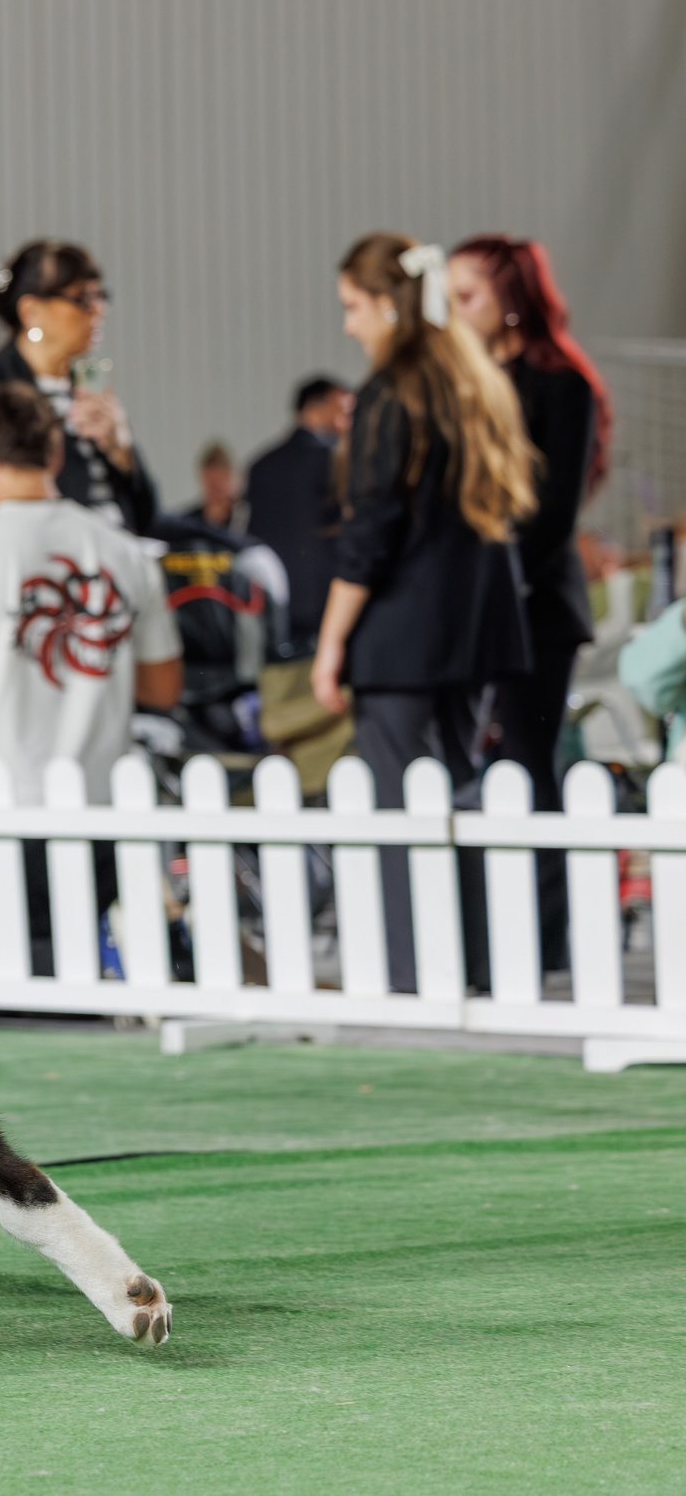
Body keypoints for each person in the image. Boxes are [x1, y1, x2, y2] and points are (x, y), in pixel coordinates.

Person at [0, 382, 181, 980]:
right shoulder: (124, 552)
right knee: (77, 986)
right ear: (55, 454)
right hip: (100, 810)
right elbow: (163, 688)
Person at [311, 234, 536, 993]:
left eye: (351, 307)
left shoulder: (390, 392)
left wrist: (331, 641)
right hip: (474, 635)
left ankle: (412, 976)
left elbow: (372, 531)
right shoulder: (476, 382)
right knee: (462, 800)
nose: (347, 326)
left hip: (401, 641)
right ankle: (474, 967)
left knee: (400, 816)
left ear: (385, 303)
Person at [451, 235, 609, 975]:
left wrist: (494, 584)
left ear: (510, 299)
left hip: (535, 611)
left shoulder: (562, 386)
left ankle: (545, 942)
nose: (456, 313)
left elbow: (553, 517)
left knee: (529, 768)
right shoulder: (466, 381)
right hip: (474, 609)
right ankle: (491, 940)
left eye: (469, 296)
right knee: (486, 775)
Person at [0, 240, 157, 536]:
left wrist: (122, 453)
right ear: (31, 311)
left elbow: (148, 518)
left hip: (113, 562)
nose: (98, 310)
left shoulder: (90, 387)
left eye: (100, 296)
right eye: (81, 298)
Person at [244, 376, 356, 792]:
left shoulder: (260, 465)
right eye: (341, 408)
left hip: (276, 616)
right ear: (313, 409)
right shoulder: (338, 463)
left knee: (282, 717)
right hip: (330, 611)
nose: (347, 419)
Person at [175, 440, 244, 535]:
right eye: (210, 485)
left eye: (219, 487)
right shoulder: (188, 522)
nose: (215, 493)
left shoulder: (246, 517)